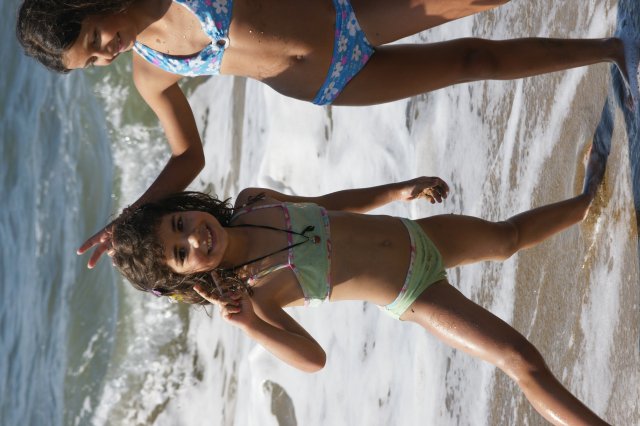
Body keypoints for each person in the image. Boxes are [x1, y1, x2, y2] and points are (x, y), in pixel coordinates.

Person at [16, 0, 633, 268]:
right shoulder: (151, 70)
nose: (107, 53)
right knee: (474, 61)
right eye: (92, 61)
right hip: (330, 81)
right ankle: (617, 50)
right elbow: (188, 156)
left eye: (94, 39)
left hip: (345, 13)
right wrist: (132, 215)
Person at [110, 146, 609, 425]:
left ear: (185, 206)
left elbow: (331, 203)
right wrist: (252, 327)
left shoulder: (254, 201)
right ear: (186, 277)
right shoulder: (260, 292)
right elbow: (313, 359)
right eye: (181, 254)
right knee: (520, 362)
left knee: (507, 238)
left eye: (180, 224)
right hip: (416, 292)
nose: (193, 238)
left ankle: (590, 198)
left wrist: (399, 189)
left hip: (419, 235)